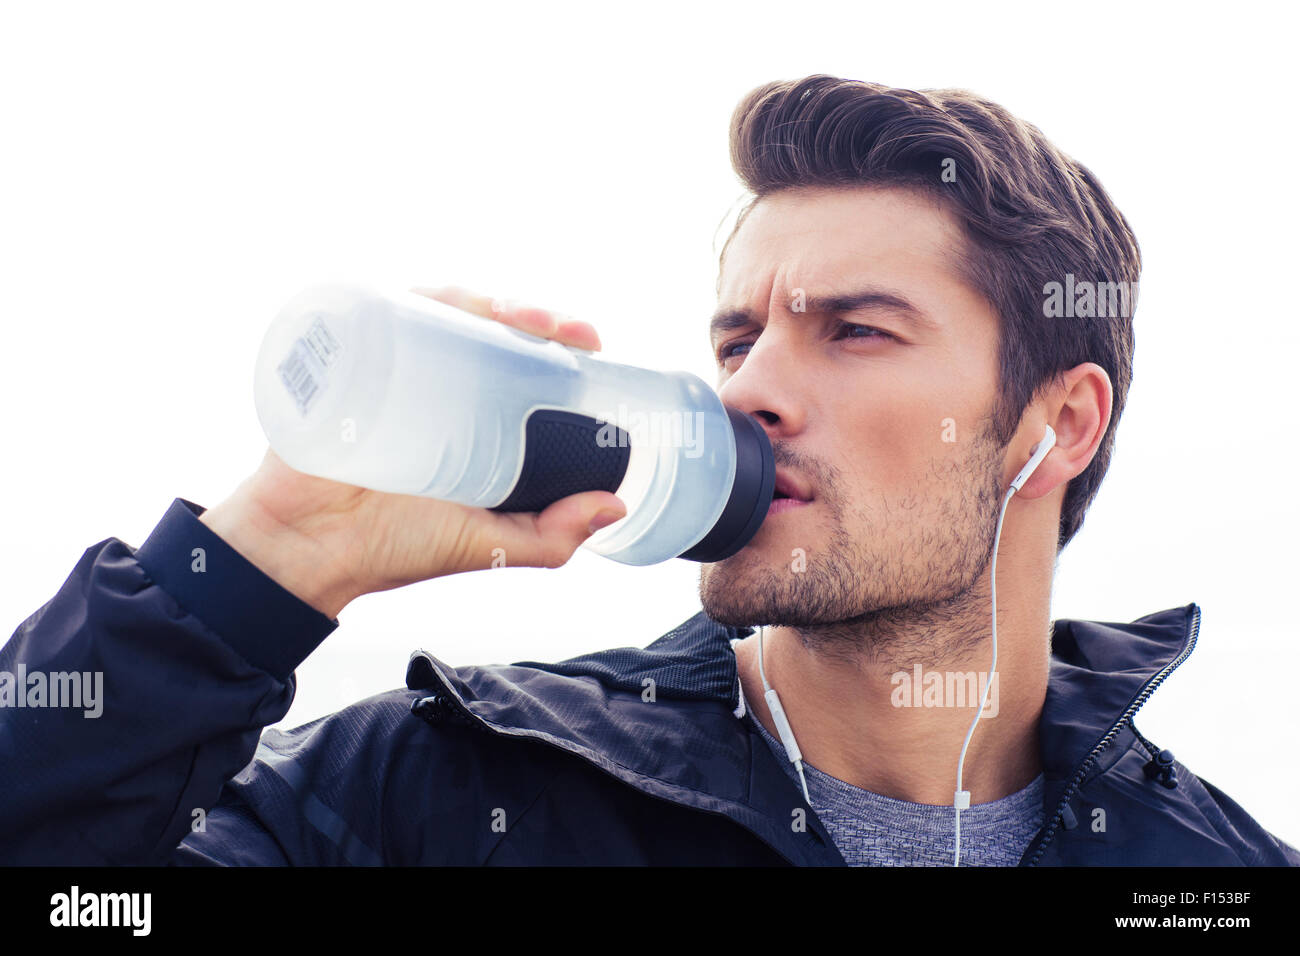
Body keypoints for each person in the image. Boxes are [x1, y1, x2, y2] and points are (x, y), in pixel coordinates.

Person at [1, 75, 1294, 866]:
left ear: (1056, 426)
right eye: (737, 337)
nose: (748, 388)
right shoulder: (440, 794)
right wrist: (261, 563)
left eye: (854, 329)